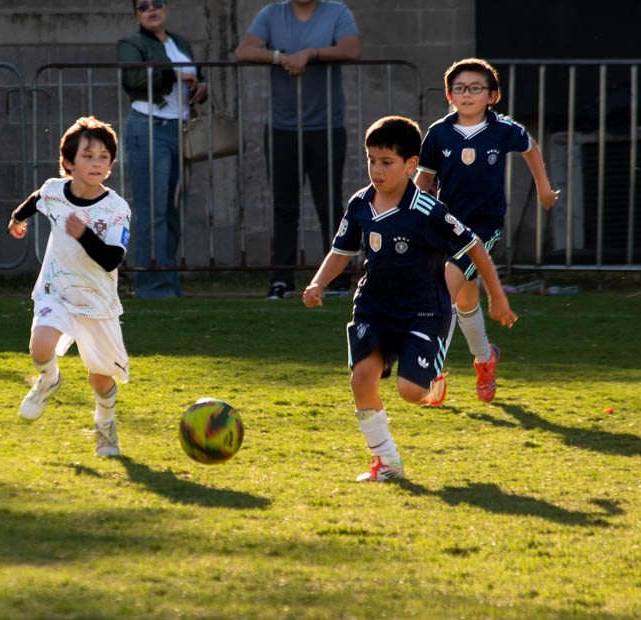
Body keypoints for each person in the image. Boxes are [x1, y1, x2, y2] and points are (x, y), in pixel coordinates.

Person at [302, 116, 517, 482]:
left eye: (386, 162)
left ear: (411, 164)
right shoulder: (360, 204)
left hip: (424, 311)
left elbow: (474, 246)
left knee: (411, 392)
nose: (377, 170)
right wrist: (318, 283)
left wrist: (497, 297)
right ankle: (386, 461)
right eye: (371, 160)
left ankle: (429, 372)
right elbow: (341, 252)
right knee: (361, 380)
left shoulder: (427, 211)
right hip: (374, 305)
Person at [414, 58, 559, 405]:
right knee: (465, 300)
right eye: (460, 88)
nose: (467, 94)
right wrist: (408, 213)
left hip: (483, 226)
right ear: (449, 95)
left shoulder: (502, 129)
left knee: (446, 286)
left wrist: (543, 189)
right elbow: (424, 179)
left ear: (492, 96)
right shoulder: (438, 133)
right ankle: (485, 359)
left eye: (476, 88)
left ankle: (430, 372)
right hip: (447, 224)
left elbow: (530, 146)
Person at [7, 117, 131, 457]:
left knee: (100, 380)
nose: (96, 163)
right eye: (88, 156)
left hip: (97, 303)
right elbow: (37, 199)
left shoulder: (116, 209)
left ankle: (104, 424)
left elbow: (111, 260)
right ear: (68, 162)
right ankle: (48, 380)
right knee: (40, 346)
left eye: (104, 157)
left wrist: (84, 235)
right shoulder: (54, 191)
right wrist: (17, 219)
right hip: (56, 290)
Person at [235, 0, 362, 300]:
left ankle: (338, 279)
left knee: (328, 205)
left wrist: (310, 54)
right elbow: (244, 51)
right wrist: (280, 57)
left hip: (326, 125)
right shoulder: (271, 13)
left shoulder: (337, 12)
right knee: (284, 207)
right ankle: (282, 280)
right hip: (282, 127)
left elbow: (351, 49)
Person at [117, 0, 206, 299]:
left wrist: (201, 88)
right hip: (149, 126)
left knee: (173, 212)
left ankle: (169, 284)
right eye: (143, 6)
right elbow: (133, 78)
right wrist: (174, 74)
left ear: (167, 7)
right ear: (136, 14)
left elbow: (196, 76)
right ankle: (150, 286)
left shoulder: (180, 41)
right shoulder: (131, 43)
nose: (151, 10)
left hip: (181, 129)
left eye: (157, 3)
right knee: (152, 212)